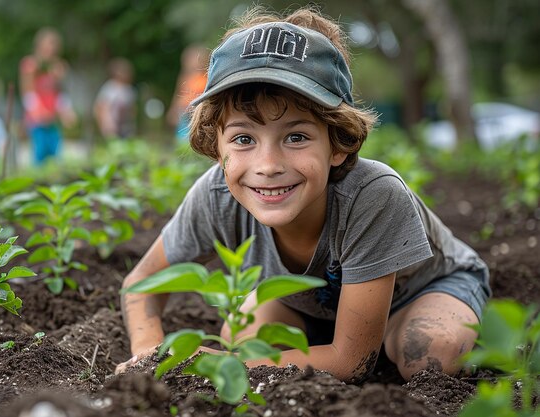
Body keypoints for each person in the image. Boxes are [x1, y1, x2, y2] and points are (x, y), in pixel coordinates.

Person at [116, 6, 491, 383]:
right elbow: (141, 282)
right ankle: (332, 339)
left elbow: (352, 361)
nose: (268, 165)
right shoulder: (215, 195)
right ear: (216, 145)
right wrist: (150, 353)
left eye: (296, 137)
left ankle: (421, 327)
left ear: (338, 143)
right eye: (244, 139)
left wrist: (212, 364)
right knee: (243, 339)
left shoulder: (373, 196)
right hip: (311, 307)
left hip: (421, 292)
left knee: (427, 353)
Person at [19, 27, 76, 165]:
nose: (52, 49)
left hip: (53, 121)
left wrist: (66, 111)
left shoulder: (58, 67)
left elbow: (60, 93)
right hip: (37, 121)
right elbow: (27, 92)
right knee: (39, 157)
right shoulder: (30, 65)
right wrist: (37, 111)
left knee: (56, 157)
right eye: (49, 45)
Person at [166, 44, 209, 143]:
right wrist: (173, 110)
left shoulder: (205, 78)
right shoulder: (186, 77)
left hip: (196, 112)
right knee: (182, 134)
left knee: (196, 134)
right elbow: (179, 94)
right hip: (183, 112)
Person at [93, 57, 137, 140]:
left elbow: (132, 109)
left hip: (126, 126)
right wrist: (104, 123)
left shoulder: (129, 90)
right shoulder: (110, 88)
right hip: (111, 126)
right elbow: (101, 107)